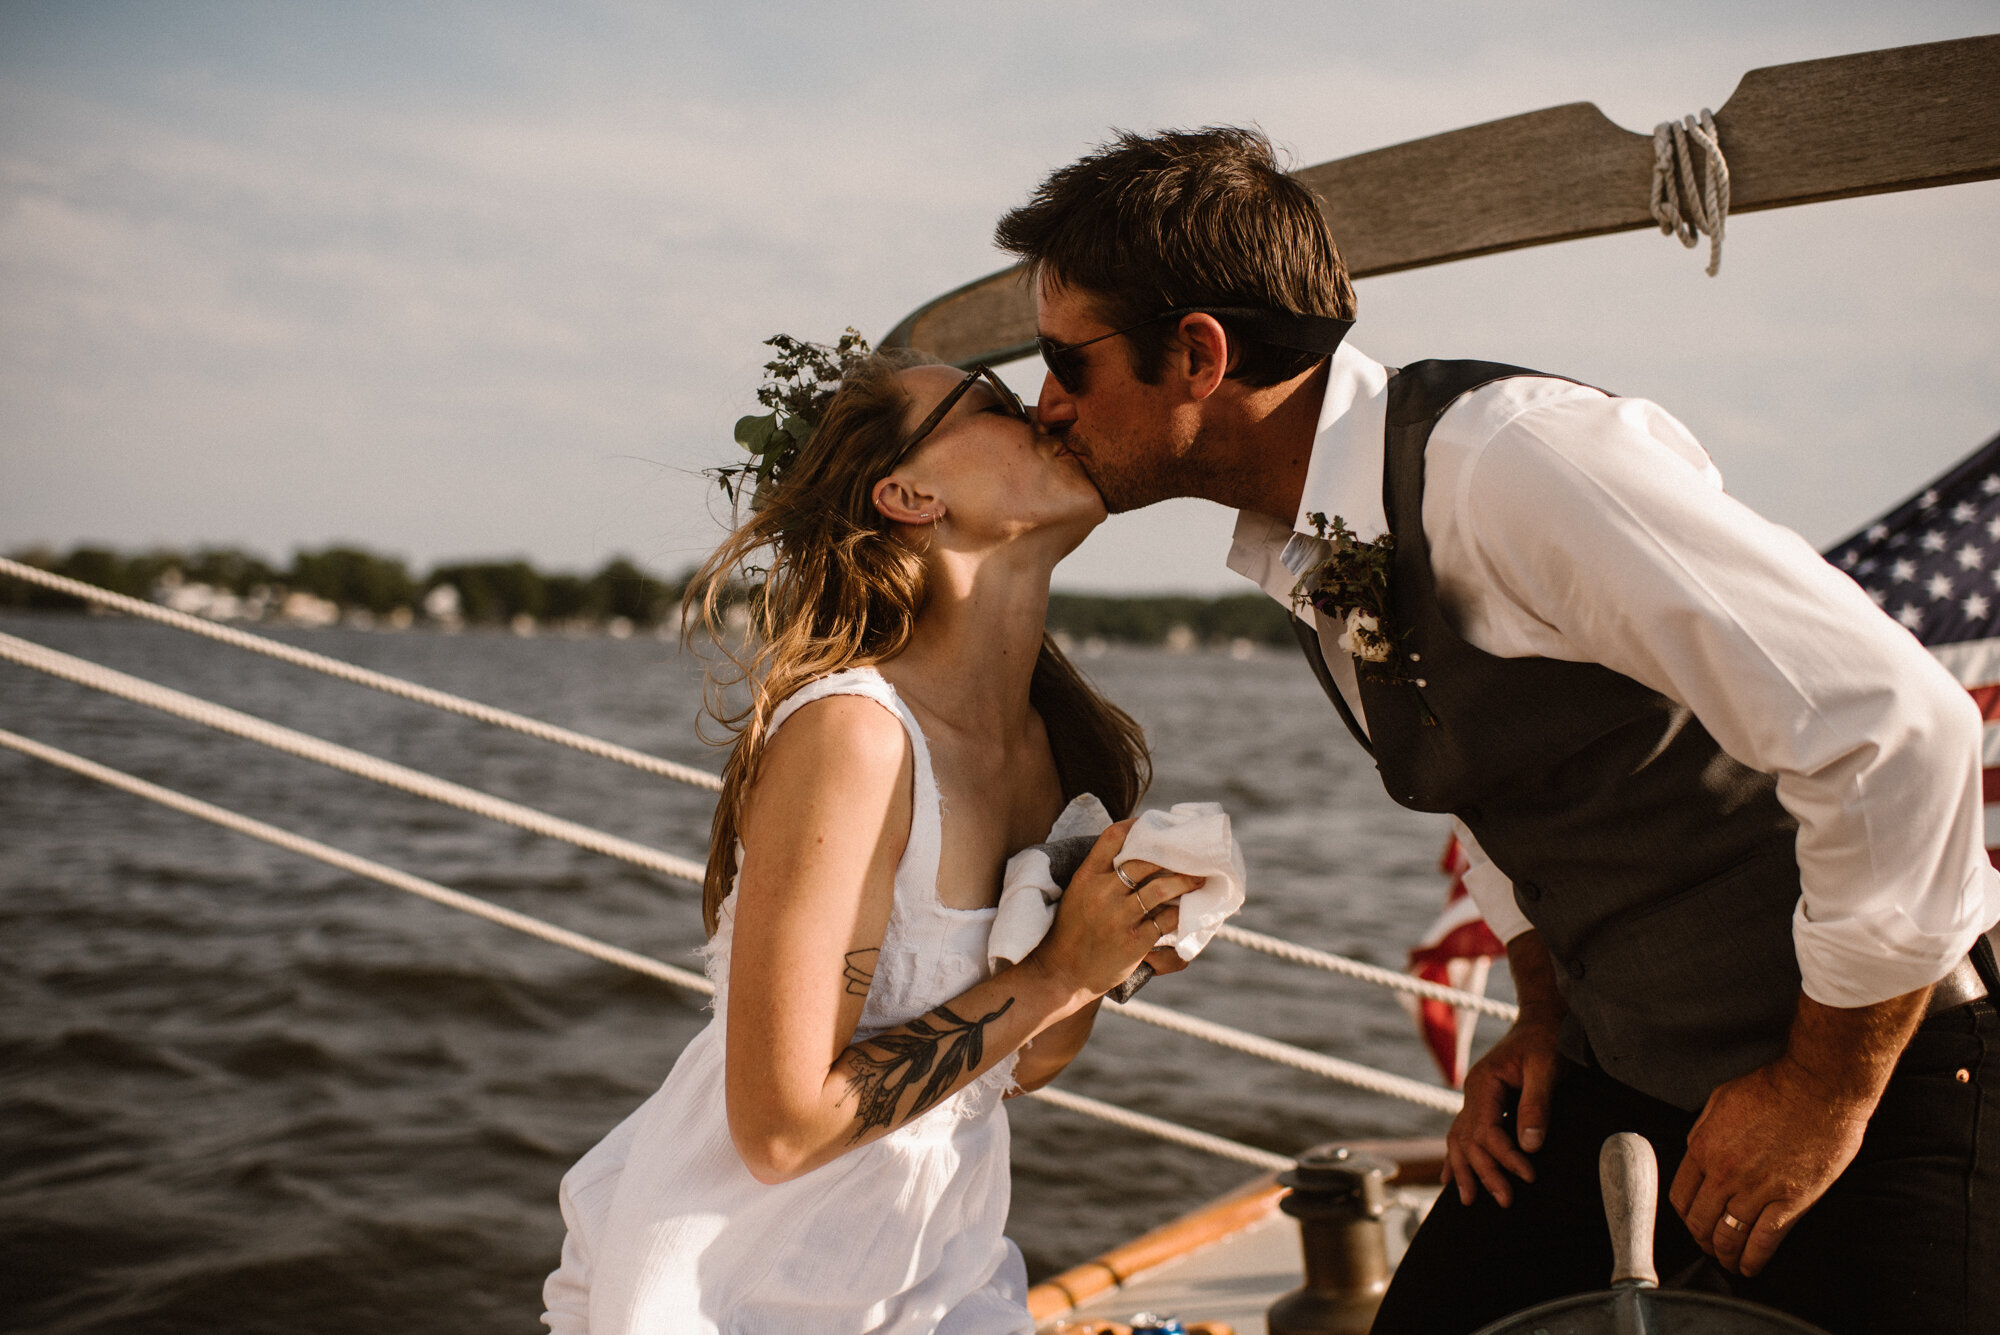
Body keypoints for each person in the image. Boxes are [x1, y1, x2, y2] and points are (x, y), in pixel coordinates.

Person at [991, 126, 2000, 1334]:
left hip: (1883, 1080)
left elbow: (1896, 727)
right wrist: (1540, 1016)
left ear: (1197, 354)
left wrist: (1818, 1092)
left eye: (1065, 359)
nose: (1043, 405)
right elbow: (1491, 784)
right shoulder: (1311, 541)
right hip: (1616, 1070)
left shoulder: (1510, 461)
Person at [540, 347, 1203, 1333]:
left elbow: (1027, 1061)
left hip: (936, 1269)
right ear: (908, 493)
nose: (1045, 412)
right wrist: (1062, 973)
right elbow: (778, 1129)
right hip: (740, 1287)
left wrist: (1113, 951)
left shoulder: (1064, 752)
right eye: (989, 402)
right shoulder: (853, 736)